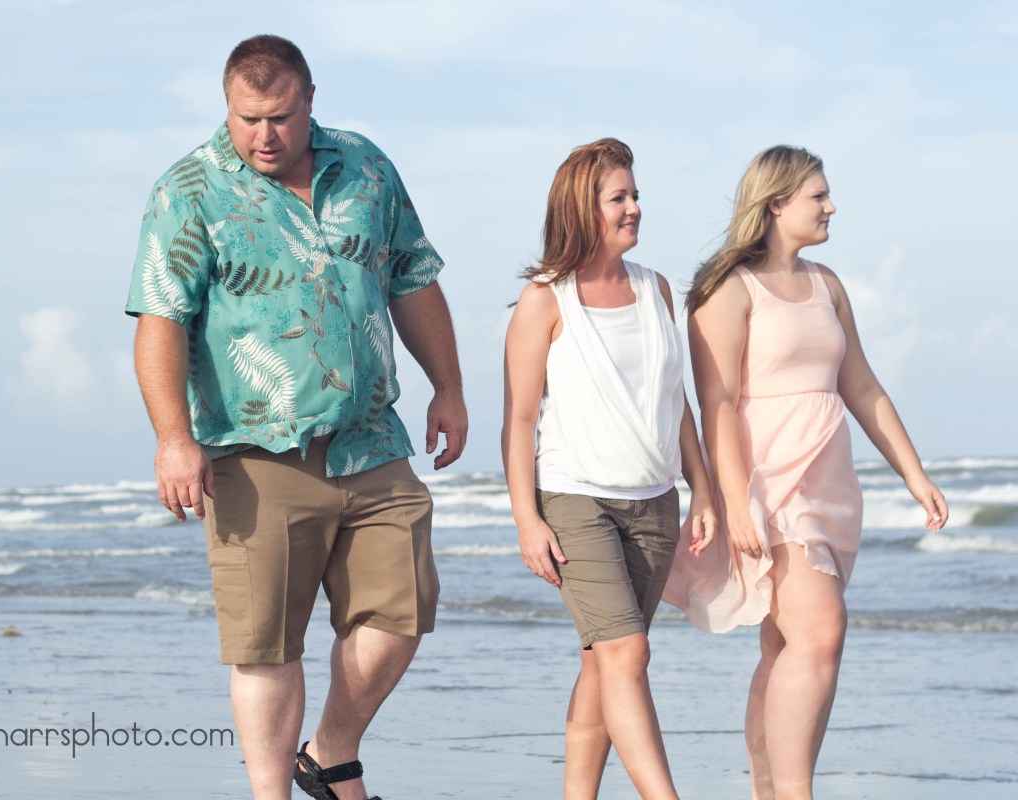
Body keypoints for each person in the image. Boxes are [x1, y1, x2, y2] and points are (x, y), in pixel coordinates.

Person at [126, 34, 466, 800]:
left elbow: (413, 278)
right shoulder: (188, 190)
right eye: (247, 118)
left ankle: (331, 751)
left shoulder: (367, 166)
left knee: (403, 614)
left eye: (279, 116)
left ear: (310, 101)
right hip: (254, 454)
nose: (264, 136)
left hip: (372, 443)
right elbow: (160, 319)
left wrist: (447, 386)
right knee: (266, 647)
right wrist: (173, 438)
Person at [662, 145, 949, 800]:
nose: (831, 206)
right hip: (769, 485)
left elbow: (862, 385)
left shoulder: (828, 285)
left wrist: (913, 473)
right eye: (818, 196)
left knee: (784, 645)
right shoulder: (728, 289)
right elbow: (717, 403)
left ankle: (769, 793)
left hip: (830, 485)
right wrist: (735, 498)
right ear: (775, 204)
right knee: (821, 634)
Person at [501, 138, 716, 800]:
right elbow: (519, 420)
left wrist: (704, 491)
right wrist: (527, 520)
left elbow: (677, 402)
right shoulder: (544, 301)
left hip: (655, 502)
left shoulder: (657, 290)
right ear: (581, 208)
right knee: (627, 653)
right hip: (575, 500)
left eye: (635, 195)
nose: (634, 208)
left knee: (604, 662)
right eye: (618, 198)